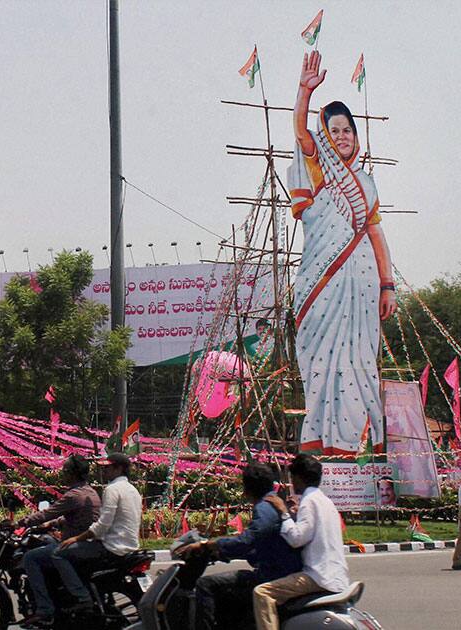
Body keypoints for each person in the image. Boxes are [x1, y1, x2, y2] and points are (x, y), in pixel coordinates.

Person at [288, 51, 396, 455]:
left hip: (363, 290)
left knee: (360, 365)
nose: (343, 136)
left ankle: (356, 446)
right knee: (320, 362)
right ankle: (319, 444)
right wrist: (304, 91)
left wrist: (388, 285)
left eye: (348, 129)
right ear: (325, 138)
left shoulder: (366, 185)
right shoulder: (317, 169)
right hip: (322, 285)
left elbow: (376, 235)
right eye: (334, 131)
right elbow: (301, 133)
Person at [177, 463, 302, 630]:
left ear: (247, 489)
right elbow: (257, 547)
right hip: (278, 570)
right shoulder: (274, 503)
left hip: (271, 575)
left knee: (205, 585)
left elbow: (247, 541)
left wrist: (209, 544)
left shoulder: (265, 507)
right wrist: (220, 553)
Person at [255, 454, 349, 630]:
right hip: (336, 575)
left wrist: (283, 512)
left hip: (317, 577)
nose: (292, 483)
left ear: (298, 478)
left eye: (292, 478)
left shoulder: (309, 501)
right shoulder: (325, 501)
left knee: (262, 593)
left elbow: (297, 539)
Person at [16, 455, 101, 629]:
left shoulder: (73, 495)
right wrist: (53, 524)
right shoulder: (90, 492)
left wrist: (21, 522)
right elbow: (74, 516)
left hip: (78, 545)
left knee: (31, 558)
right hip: (89, 543)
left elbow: (46, 513)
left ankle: (44, 609)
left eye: (65, 470)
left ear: (73, 474)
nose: (62, 474)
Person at [55, 453, 143, 620]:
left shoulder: (112, 489)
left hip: (111, 548)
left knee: (59, 554)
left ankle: (83, 598)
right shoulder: (133, 490)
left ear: (119, 469)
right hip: (130, 546)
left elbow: (102, 525)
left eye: (108, 467)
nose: (104, 471)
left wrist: (76, 538)